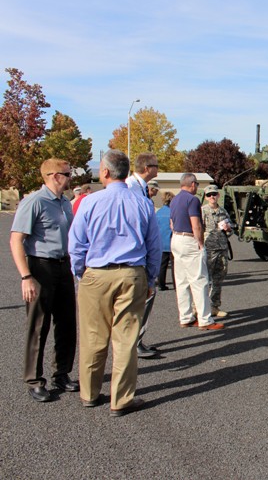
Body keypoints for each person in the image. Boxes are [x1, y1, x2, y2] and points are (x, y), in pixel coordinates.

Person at [68, 149, 161, 416]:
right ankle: (121, 400)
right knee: (126, 339)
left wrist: (80, 273)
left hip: (96, 274)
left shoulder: (89, 202)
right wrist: (151, 278)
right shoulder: (143, 203)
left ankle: (89, 393)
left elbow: (76, 245)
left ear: (105, 172)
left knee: (92, 337)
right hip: (132, 273)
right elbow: (153, 245)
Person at [9, 158, 79, 402]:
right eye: (68, 174)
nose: (71, 177)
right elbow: (16, 240)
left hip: (64, 266)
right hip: (40, 268)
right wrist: (26, 276)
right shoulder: (33, 202)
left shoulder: (65, 204)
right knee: (39, 326)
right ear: (54, 176)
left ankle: (62, 373)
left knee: (67, 323)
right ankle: (35, 380)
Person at [170, 173, 224, 331]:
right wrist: (200, 242)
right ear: (192, 184)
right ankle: (205, 320)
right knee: (199, 281)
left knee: (181, 281)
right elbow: (196, 224)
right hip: (189, 240)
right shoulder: (192, 200)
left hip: (176, 238)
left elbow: (172, 223)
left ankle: (185, 317)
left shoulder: (174, 199)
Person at [127, 154, 161, 359]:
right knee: (138, 302)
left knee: (145, 299)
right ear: (148, 168)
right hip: (134, 258)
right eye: (156, 167)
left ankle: (137, 340)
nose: (158, 170)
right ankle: (133, 343)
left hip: (142, 256)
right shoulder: (131, 188)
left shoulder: (140, 188)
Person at [201, 185, 233, 318]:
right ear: (206, 197)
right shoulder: (203, 211)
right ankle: (199, 307)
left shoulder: (223, 211)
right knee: (204, 279)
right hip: (209, 248)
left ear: (218, 195)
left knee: (219, 278)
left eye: (214, 194)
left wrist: (228, 229)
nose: (212, 197)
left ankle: (214, 306)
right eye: (209, 195)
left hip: (222, 248)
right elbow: (198, 229)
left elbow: (231, 229)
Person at [156, 191, 175, 290]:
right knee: (175, 266)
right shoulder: (173, 213)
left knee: (162, 265)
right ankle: (176, 284)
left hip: (161, 243)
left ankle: (161, 284)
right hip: (172, 242)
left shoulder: (158, 213)